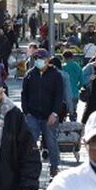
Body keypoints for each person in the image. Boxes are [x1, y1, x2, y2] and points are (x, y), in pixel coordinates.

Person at [21, 49, 64, 178]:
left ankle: (54, 167)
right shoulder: (29, 74)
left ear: (47, 60)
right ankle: (29, 168)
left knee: (51, 142)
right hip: (32, 115)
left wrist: (55, 113)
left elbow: (59, 95)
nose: (39, 61)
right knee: (30, 143)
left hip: (49, 115)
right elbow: (24, 94)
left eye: (41, 58)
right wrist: (26, 112)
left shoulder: (56, 75)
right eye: (37, 58)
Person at [49, 56, 75, 122]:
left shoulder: (45, 74)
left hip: (46, 106)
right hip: (60, 106)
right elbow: (68, 93)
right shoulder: (65, 75)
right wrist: (71, 110)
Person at [62, 51, 83, 121]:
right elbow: (82, 80)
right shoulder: (77, 67)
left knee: (63, 114)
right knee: (73, 113)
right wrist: (78, 87)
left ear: (64, 58)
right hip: (75, 93)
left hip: (64, 94)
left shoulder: (63, 67)